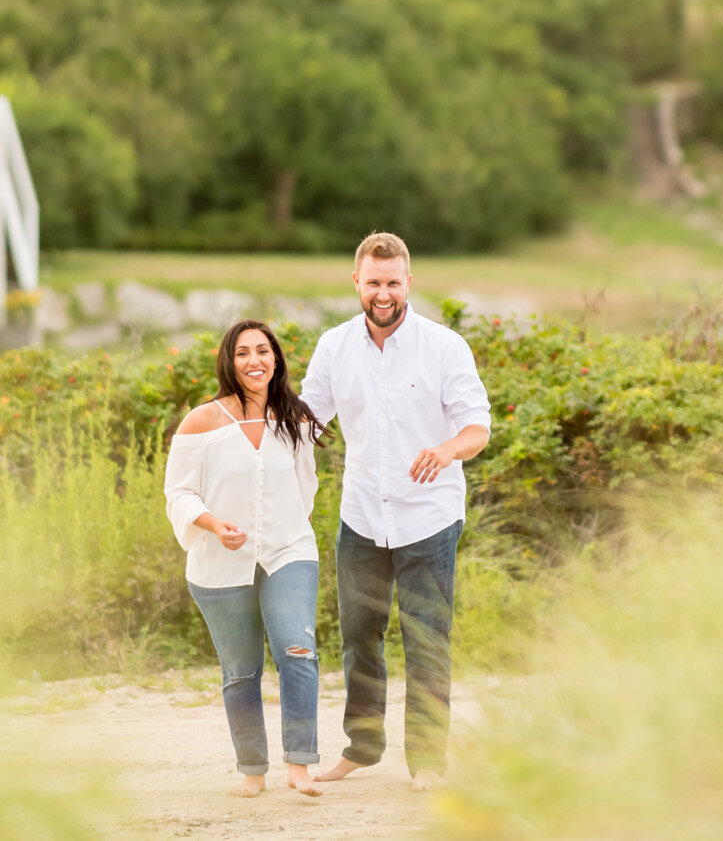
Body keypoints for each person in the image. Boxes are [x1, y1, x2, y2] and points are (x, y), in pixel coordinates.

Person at [300, 232, 491, 792]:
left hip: (428, 519)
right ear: (356, 283)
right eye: (373, 282)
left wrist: (446, 448)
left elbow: (477, 426)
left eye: (392, 282)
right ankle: (361, 749)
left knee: (427, 639)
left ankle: (428, 761)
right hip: (361, 516)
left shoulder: (445, 346)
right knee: (359, 636)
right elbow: (309, 423)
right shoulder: (334, 347)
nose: (383, 293)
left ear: (408, 282)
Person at [164, 319, 330, 798]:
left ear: (275, 358)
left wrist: (286, 529)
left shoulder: (294, 418)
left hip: (288, 551)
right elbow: (177, 495)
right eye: (242, 353)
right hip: (219, 562)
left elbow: (306, 487)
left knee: (298, 651)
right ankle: (252, 769)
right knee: (240, 670)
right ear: (228, 362)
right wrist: (214, 525)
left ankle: (300, 763)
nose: (254, 361)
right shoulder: (202, 422)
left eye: (262, 350)